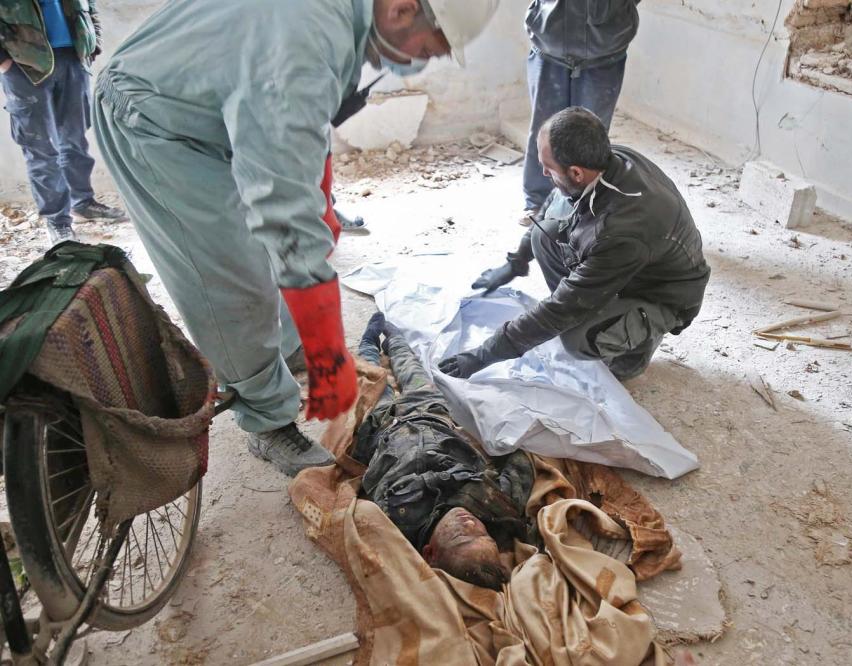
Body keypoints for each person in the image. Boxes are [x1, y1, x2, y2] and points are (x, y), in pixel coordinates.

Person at [91, 0, 499, 477]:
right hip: (155, 119)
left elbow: (298, 140)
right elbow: (282, 204)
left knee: (269, 249)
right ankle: (266, 420)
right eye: (428, 48)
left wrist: (318, 217)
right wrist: (327, 348)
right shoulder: (304, 41)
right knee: (227, 275)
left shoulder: (338, 22)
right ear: (404, 9)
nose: (419, 61)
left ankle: (286, 344)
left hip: (208, 106)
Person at [440, 107, 710, 381]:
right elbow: (552, 204)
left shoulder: (622, 230)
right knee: (542, 234)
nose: (544, 173)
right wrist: (517, 261)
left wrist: (484, 354)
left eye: (548, 168)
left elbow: (560, 310)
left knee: (576, 337)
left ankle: (633, 351)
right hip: (628, 261)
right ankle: (596, 306)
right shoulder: (603, 160)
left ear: (576, 173)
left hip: (661, 292)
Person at [353, 312, 534, 590]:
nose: (470, 524)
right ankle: (393, 336)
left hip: (382, 428)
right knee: (410, 366)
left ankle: (367, 342)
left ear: (429, 553)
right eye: (483, 535)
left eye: (461, 537)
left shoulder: (397, 528)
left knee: (365, 377)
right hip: (431, 415)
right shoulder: (496, 505)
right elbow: (520, 461)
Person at [0, 0, 126, 246]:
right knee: (41, 148)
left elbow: (88, 5)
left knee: (75, 139)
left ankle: (83, 203)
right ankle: (58, 221)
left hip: (72, 58)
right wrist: (4, 60)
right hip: (25, 65)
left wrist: (92, 41)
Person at [519, 0, 640, 227]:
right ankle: (538, 202)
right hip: (550, 41)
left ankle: (585, 206)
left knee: (591, 136)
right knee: (544, 130)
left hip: (604, 49)